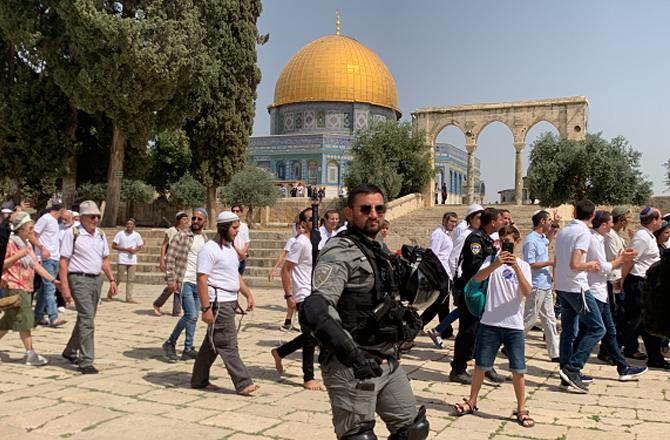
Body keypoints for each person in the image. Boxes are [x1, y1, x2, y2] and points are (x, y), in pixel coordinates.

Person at [300, 183, 434, 440]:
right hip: (352, 365)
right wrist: (353, 355)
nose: (373, 214)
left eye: (379, 208)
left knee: (413, 431)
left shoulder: (378, 248)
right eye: (365, 209)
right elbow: (316, 308)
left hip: (386, 358)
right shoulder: (340, 251)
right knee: (359, 437)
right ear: (349, 214)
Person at [453, 225, 533, 427]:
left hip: (513, 324)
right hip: (490, 322)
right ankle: (472, 401)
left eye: (509, 241)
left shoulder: (523, 266)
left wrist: (514, 267)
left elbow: (526, 292)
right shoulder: (490, 261)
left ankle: (521, 408)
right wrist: (496, 264)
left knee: (518, 369)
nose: (506, 244)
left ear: (516, 243)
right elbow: (477, 278)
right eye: (502, 240)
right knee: (481, 366)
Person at [191, 211, 260, 395]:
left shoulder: (230, 250)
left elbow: (234, 274)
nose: (238, 231)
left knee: (212, 343)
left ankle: (199, 379)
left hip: (230, 301)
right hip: (218, 303)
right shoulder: (209, 250)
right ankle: (243, 383)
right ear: (223, 228)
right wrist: (206, 308)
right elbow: (201, 279)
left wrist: (247, 294)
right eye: (234, 228)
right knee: (227, 343)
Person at [581, 210, 647, 381]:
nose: (612, 224)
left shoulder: (600, 239)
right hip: (595, 290)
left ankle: (622, 367)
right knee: (593, 330)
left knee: (609, 330)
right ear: (604, 224)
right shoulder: (594, 241)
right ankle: (572, 366)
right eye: (610, 222)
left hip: (601, 290)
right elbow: (602, 267)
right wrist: (622, 260)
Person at [59, 200, 117, 374]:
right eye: (92, 216)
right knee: (87, 318)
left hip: (96, 280)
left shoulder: (100, 234)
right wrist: (65, 287)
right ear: (82, 217)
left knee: (87, 318)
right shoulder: (73, 234)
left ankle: (69, 351)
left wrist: (112, 280)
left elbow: (104, 259)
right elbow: (63, 262)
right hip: (78, 279)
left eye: (97, 216)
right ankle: (86, 360)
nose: (95, 219)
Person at [450, 207, 505, 385]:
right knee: (468, 331)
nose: (503, 222)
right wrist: (493, 264)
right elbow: (474, 267)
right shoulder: (476, 240)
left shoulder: (487, 240)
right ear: (493, 222)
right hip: (472, 292)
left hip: (484, 291)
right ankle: (457, 369)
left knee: (485, 331)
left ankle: (485, 365)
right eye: (500, 219)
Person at [553, 199, 603, 393]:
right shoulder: (583, 233)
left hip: (563, 286)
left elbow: (557, 260)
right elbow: (575, 264)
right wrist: (590, 265)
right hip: (576, 287)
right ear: (592, 216)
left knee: (568, 331)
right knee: (598, 328)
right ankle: (573, 368)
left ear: (574, 213)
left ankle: (565, 372)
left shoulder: (564, 231)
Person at [270, 208, 323, 390]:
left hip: (317, 292)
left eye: (318, 218)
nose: (316, 221)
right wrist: (288, 296)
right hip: (302, 293)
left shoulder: (317, 241)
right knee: (309, 337)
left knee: (315, 334)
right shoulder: (300, 243)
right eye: (311, 218)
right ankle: (308, 377)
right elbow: (286, 270)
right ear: (303, 223)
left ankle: (280, 352)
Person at [0, 212, 62, 366]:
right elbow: (3, 264)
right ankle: (31, 354)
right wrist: (17, 256)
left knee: (8, 322)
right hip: (15, 286)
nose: (33, 231)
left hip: (26, 287)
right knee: (26, 320)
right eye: (30, 228)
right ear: (20, 229)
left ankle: (31, 354)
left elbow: (36, 266)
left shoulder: (27, 245)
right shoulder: (10, 243)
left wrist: (53, 280)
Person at [618, 207, 668, 369]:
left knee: (647, 322)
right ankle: (609, 349)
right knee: (633, 321)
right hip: (637, 281)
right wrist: (623, 279)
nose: (661, 221)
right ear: (654, 221)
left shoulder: (647, 236)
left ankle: (655, 357)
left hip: (644, 283)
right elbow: (629, 260)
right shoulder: (641, 237)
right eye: (659, 218)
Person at [163, 208, 209, 362]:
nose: (195, 221)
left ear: (205, 222)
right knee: (191, 315)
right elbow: (170, 257)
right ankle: (170, 342)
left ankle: (188, 348)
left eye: (199, 219)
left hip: (199, 283)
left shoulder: (205, 239)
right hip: (185, 280)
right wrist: (171, 280)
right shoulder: (181, 236)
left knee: (194, 318)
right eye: (193, 218)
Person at [521, 210, 560, 362]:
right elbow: (530, 263)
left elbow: (547, 240)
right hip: (536, 285)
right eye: (549, 220)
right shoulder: (531, 241)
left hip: (545, 284)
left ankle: (554, 352)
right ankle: (510, 343)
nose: (550, 223)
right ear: (542, 221)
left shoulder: (540, 238)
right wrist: (550, 263)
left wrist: (555, 224)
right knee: (530, 319)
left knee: (550, 319)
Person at [30, 203, 67, 327]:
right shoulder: (45, 219)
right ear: (61, 210)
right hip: (46, 258)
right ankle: (53, 317)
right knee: (50, 287)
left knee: (45, 289)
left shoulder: (55, 222)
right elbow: (32, 234)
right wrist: (42, 248)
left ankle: (38, 316)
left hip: (55, 257)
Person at [425, 211, 458, 347]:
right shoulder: (438, 234)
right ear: (444, 220)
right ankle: (444, 331)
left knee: (440, 304)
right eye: (451, 221)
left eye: (455, 222)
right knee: (441, 303)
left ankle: (421, 324)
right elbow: (433, 254)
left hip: (447, 273)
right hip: (440, 274)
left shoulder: (447, 235)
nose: (453, 224)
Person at [268, 223, 305, 331]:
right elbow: (283, 254)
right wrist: (274, 268)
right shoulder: (293, 241)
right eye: (299, 228)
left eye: (303, 228)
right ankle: (289, 321)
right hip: (293, 272)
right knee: (293, 297)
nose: (301, 230)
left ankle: (289, 321)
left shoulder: (307, 241)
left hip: (302, 273)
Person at [153, 211, 189, 316]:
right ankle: (157, 303)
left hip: (182, 261)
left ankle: (177, 310)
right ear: (179, 220)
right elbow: (164, 245)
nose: (186, 221)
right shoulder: (171, 231)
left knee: (179, 285)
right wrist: (162, 260)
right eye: (184, 219)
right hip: (172, 260)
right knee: (172, 285)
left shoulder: (187, 232)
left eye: (187, 219)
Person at [604, 206, 631, 330]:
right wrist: (624, 256)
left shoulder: (617, 235)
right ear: (621, 219)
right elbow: (614, 256)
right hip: (613, 276)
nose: (630, 220)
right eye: (628, 217)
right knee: (616, 309)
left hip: (619, 274)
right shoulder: (609, 235)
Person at [107, 218, 143, 304]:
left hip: (132, 259)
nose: (129, 225)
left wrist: (134, 250)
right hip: (122, 259)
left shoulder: (137, 235)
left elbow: (139, 246)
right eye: (128, 224)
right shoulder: (120, 234)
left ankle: (129, 298)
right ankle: (110, 294)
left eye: (131, 224)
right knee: (119, 278)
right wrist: (125, 249)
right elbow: (114, 246)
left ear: (134, 225)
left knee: (130, 279)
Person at [231, 205, 250, 275]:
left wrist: (242, 253)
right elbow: (229, 242)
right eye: (233, 211)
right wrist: (240, 253)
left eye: (237, 211)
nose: (235, 212)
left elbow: (247, 243)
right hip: (232, 258)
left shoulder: (244, 226)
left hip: (241, 259)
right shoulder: (229, 226)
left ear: (241, 213)